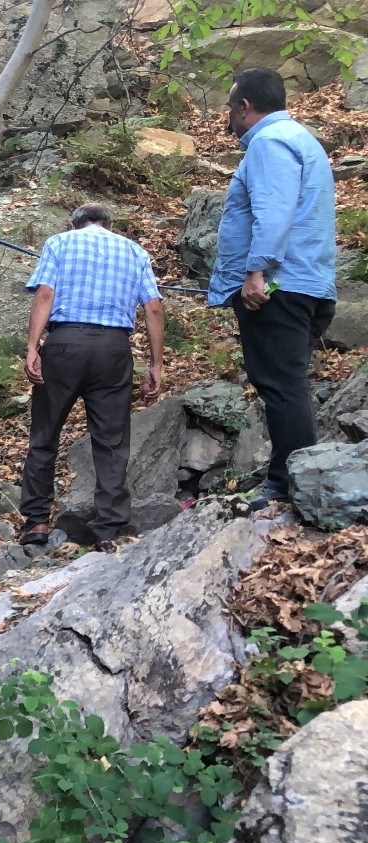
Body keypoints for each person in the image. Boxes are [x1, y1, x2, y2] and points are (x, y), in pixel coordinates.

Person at [211, 67, 337, 512]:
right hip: (308, 280)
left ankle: (288, 487)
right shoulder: (302, 139)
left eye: (231, 106)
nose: (229, 115)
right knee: (288, 384)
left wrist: (256, 271)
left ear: (245, 107)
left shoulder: (268, 143)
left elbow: (274, 210)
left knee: (281, 386)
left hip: (278, 286)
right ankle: (296, 478)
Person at [18, 203, 165, 547]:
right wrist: (156, 364)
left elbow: (45, 293)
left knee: (45, 434)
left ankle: (37, 523)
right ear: (109, 225)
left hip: (65, 343)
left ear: (75, 223)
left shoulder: (60, 243)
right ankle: (109, 527)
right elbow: (154, 308)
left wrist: (32, 347)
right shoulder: (134, 251)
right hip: (114, 350)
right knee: (111, 441)